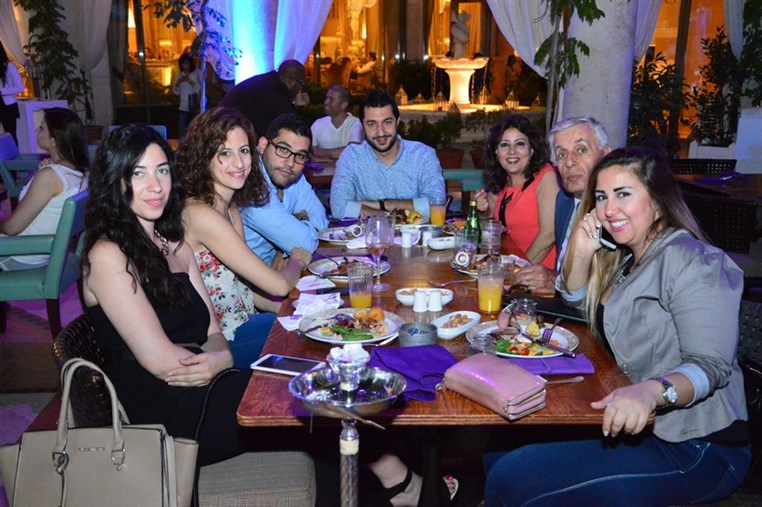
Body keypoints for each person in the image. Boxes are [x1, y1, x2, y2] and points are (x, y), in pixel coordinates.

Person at [484, 147, 750, 505]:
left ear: (658, 201)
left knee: (512, 481)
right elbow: (579, 303)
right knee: (497, 452)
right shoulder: (628, 258)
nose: (609, 209)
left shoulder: (694, 261)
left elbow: (710, 366)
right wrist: (580, 252)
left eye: (623, 194)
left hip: (697, 443)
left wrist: (652, 392)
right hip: (633, 421)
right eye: (601, 197)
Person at [81, 124, 251, 466]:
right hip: (159, 412)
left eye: (161, 170)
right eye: (138, 173)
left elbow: (213, 332)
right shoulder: (108, 255)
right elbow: (159, 361)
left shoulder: (177, 247)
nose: (156, 185)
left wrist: (222, 359)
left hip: (200, 382)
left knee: (299, 397)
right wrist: (221, 362)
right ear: (115, 181)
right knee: (290, 403)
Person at [175, 108, 312, 368]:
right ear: (203, 157)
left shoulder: (231, 208)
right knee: (305, 338)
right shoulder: (200, 214)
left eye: (244, 151)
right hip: (218, 342)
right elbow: (279, 286)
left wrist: (297, 309)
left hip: (245, 322)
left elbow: (245, 288)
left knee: (317, 322)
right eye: (225, 153)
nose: (239, 163)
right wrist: (297, 260)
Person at [514, 116, 611, 294]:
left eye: (581, 150)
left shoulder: (614, 212)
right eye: (562, 154)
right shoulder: (563, 201)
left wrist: (556, 283)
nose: (569, 162)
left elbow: (613, 289)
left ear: (605, 155)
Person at [330, 90, 446, 218]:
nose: (380, 132)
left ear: (397, 121)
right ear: (362, 126)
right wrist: (389, 217)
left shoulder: (423, 156)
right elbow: (339, 207)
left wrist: (384, 204)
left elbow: (436, 204)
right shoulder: (352, 157)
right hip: (369, 231)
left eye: (387, 122)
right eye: (372, 124)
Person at [0, 107, 88, 271]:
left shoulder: (50, 176)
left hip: (20, 254)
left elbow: (11, 229)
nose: (36, 130)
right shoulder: (81, 173)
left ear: (54, 140)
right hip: (44, 253)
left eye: (41, 127)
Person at [241, 113, 328, 266]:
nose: (290, 163)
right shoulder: (250, 184)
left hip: (276, 272)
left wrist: (285, 249)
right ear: (263, 145)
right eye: (283, 149)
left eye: (300, 155)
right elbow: (305, 243)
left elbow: (322, 223)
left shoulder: (292, 176)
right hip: (247, 278)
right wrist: (290, 242)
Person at [473, 115, 559, 269]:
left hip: (539, 273)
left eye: (519, 144)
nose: (512, 151)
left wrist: (516, 270)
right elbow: (486, 224)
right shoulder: (502, 181)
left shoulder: (546, 176)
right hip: (509, 267)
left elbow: (549, 235)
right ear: (496, 152)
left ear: (531, 150)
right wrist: (481, 210)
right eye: (504, 145)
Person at [219, 59, 309, 138]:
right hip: (227, 132)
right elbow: (294, 129)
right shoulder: (276, 91)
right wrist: (301, 107)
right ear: (291, 81)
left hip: (225, 127)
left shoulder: (267, 82)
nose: (301, 89)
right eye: (302, 84)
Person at [310, 85, 363, 161]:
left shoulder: (356, 124)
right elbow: (306, 149)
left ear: (343, 105)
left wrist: (318, 152)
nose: (326, 102)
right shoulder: (318, 124)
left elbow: (352, 152)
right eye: (326, 98)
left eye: (331, 99)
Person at [172, 53, 202, 137]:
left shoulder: (196, 73)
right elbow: (176, 92)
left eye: (187, 63)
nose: (185, 66)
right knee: (182, 131)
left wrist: (189, 81)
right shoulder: (179, 74)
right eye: (183, 64)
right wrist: (178, 83)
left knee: (195, 130)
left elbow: (199, 89)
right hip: (183, 106)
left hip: (194, 105)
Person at [0, 43, 23, 144]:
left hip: (7, 106)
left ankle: (14, 154)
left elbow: (20, 87)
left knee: (10, 135)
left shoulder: (9, 66)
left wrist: (2, 91)